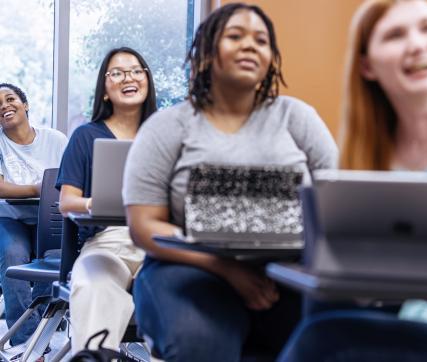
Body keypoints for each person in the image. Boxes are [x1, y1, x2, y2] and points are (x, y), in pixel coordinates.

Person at [123, 3, 338, 361]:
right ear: (206, 53)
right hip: (185, 268)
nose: (250, 46)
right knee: (201, 344)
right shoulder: (166, 127)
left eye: (261, 40)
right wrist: (226, 268)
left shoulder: (297, 117)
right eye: (235, 36)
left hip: (287, 268)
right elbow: (143, 226)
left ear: (271, 58)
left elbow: (336, 203)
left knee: (339, 337)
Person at [278, 0, 427, 361]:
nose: (416, 44)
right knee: (320, 311)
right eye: (396, 35)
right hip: (413, 325)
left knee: (322, 339)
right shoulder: (368, 158)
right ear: (367, 65)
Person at [56, 47, 157, 353]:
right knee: (94, 286)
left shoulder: (163, 135)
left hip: (158, 242)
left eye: (136, 70)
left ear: (147, 81)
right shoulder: (85, 136)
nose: (129, 77)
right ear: (104, 88)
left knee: (183, 290)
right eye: (118, 72)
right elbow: (67, 202)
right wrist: (95, 202)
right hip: (107, 242)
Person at [0, 83, 68, 346]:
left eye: (10, 99)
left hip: (50, 216)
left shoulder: (56, 139)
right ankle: (25, 345)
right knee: (12, 257)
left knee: (55, 260)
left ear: (25, 104)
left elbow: (71, 179)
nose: (5, 105)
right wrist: (35, 188)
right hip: (10, 217)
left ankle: (39, 338)